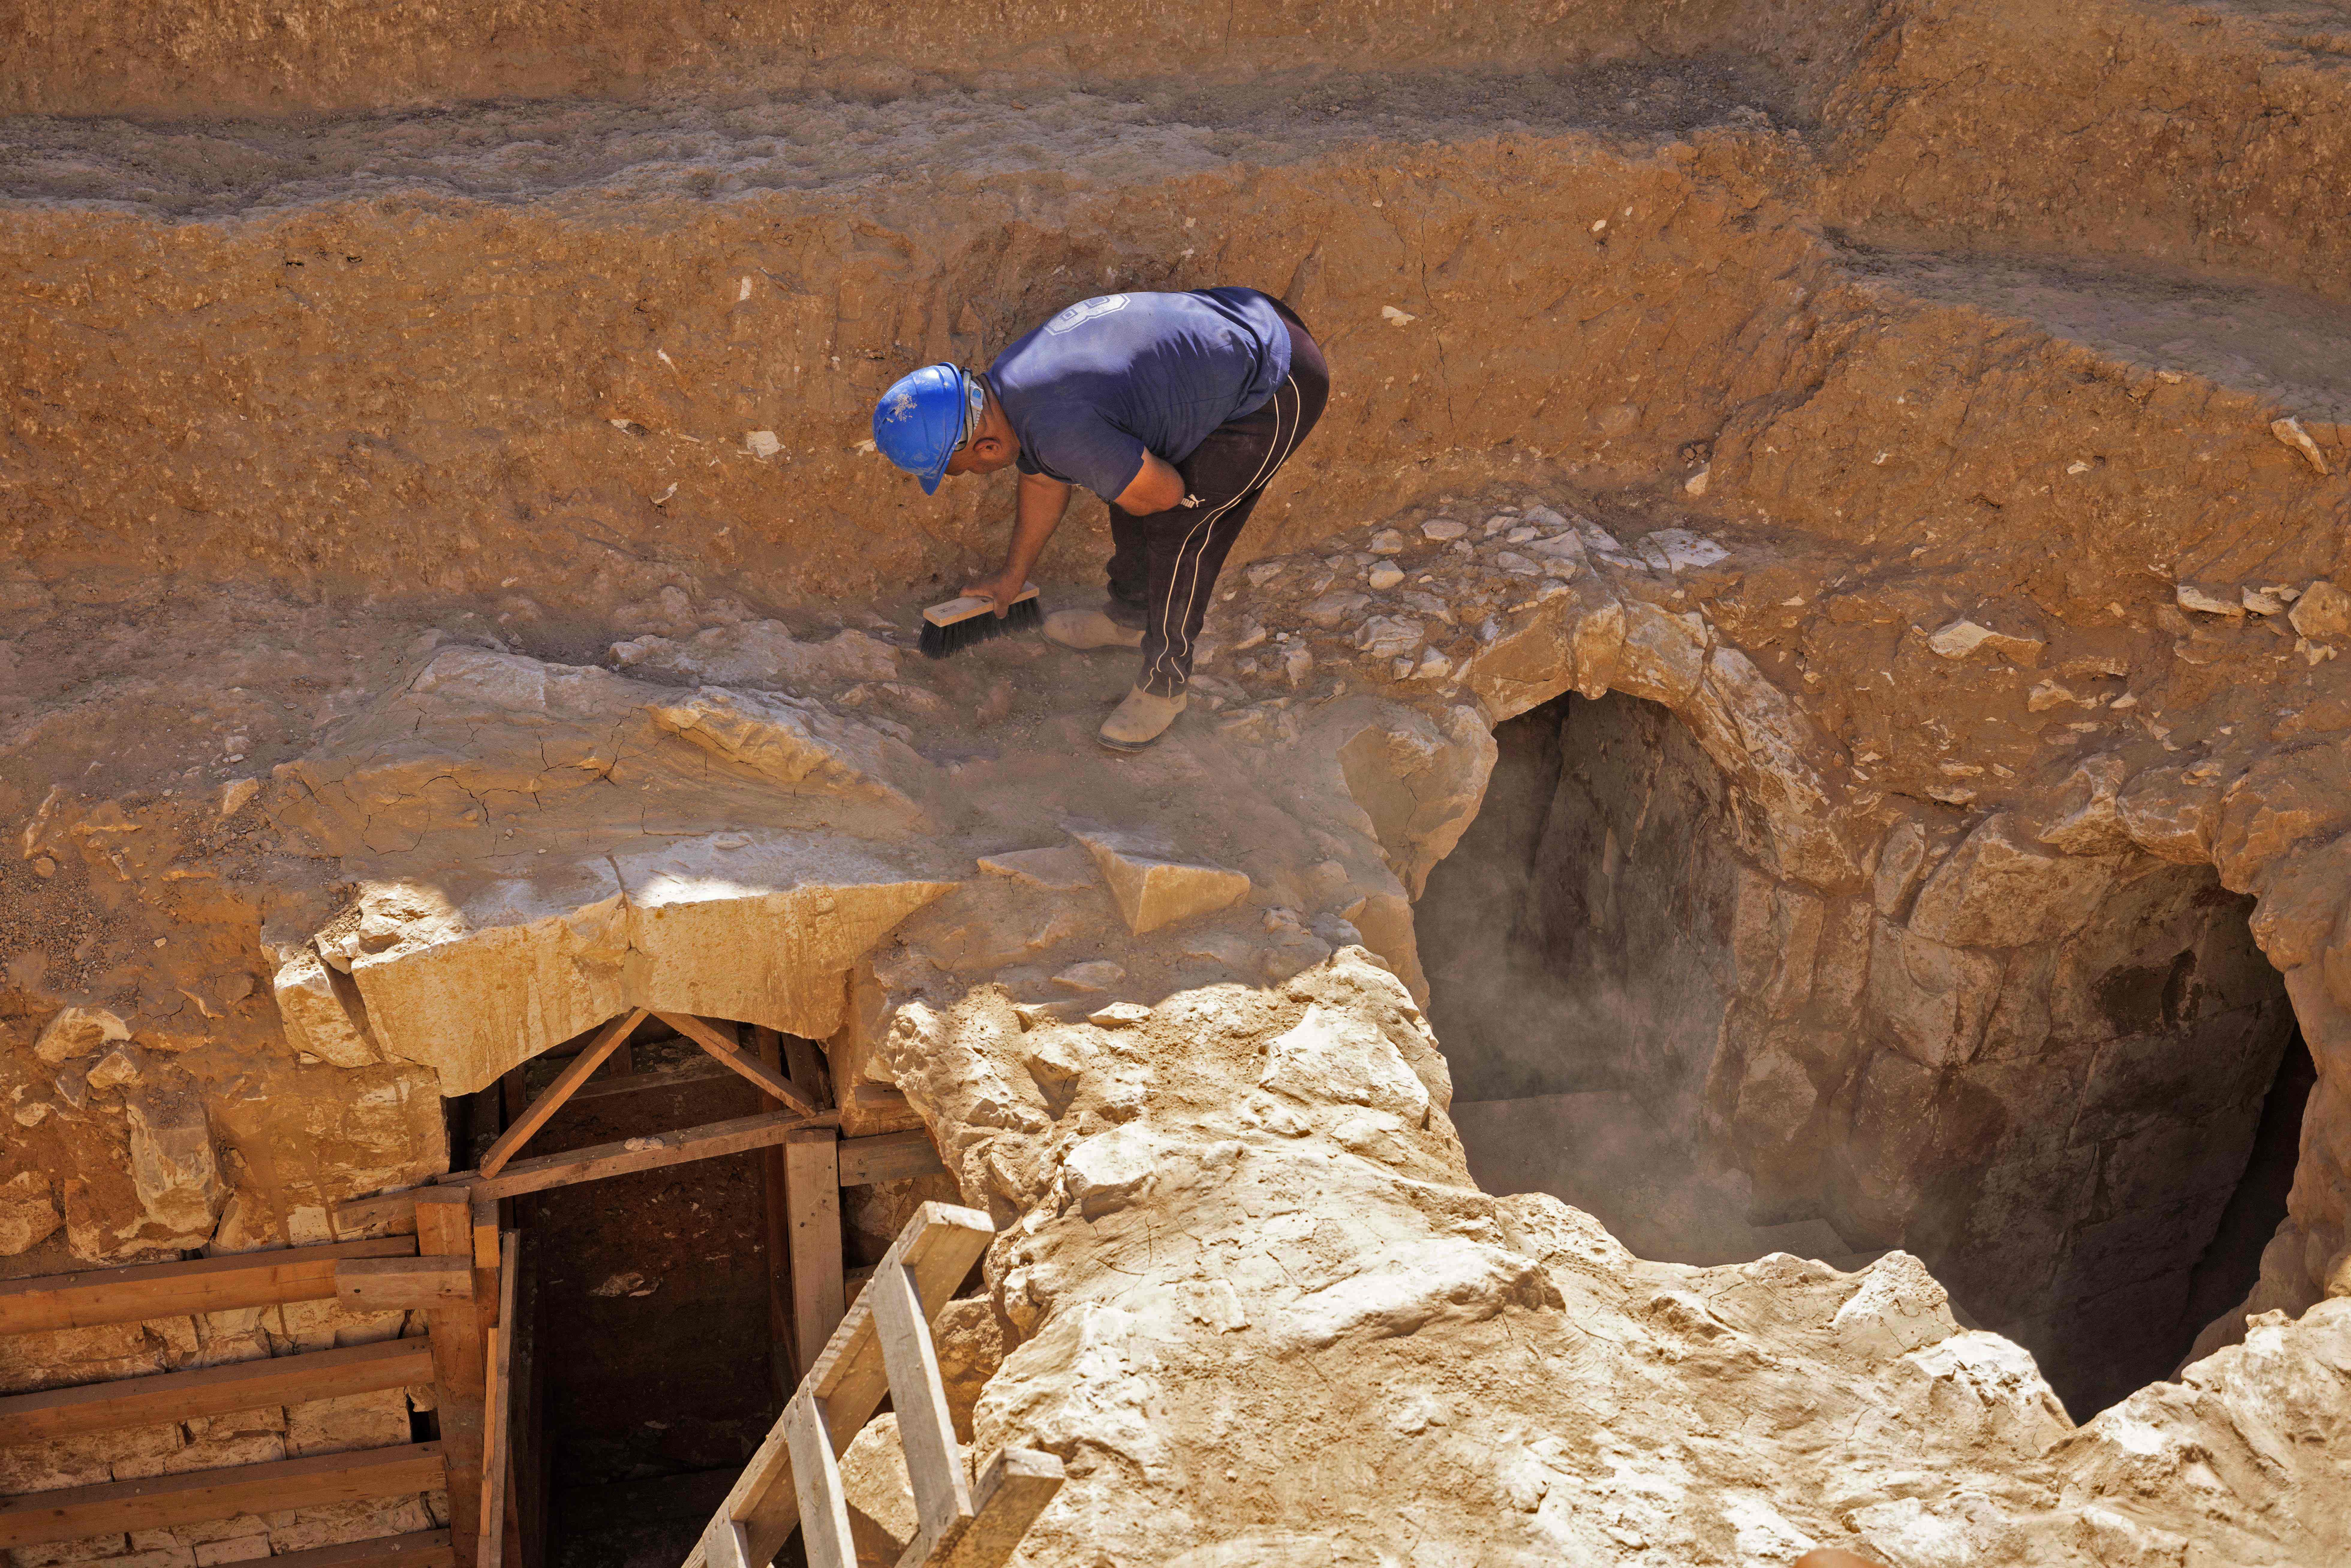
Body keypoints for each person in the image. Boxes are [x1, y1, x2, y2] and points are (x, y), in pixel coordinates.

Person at [871, 287, 1329, 751]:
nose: (971, 475)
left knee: (1179, 525)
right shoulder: (1010, 386)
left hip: (1275, 374)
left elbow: (1163, 495)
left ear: (986, 448)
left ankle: (1164, 686)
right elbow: (1043, 481)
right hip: (1231, 327)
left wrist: (1129, 487)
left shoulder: (1060, 428)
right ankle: (1130, 620)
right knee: (1119, 472)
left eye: (964, 468)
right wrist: (1013, 575)